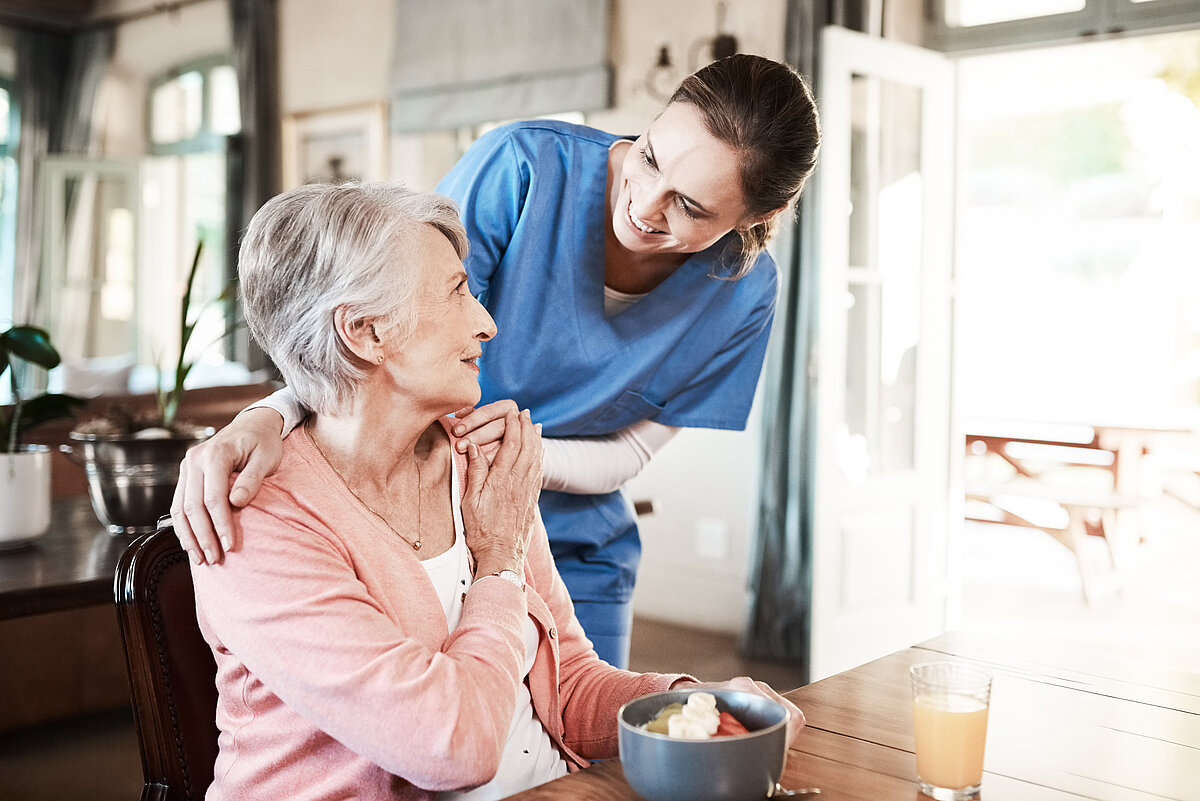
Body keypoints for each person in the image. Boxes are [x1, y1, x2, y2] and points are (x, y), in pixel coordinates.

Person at [172, 54, 821, 668]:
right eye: (649, 157)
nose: (644, 204)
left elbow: (632, 453)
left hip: (575, 540)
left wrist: (521, 461)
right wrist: (270, 413)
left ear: (758, 216)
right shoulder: (523, 167)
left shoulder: (744, 294)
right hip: (427, 520)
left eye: (689, 206)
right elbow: (374, 322)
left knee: (583, 760)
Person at [193, 181, 803, 801]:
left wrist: (692, 704)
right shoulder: (253, 519)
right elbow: (453, 746)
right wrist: (500, 565)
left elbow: (568, 687)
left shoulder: (481, 462)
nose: (486, 324)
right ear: (366, 333)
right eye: (457, 292)